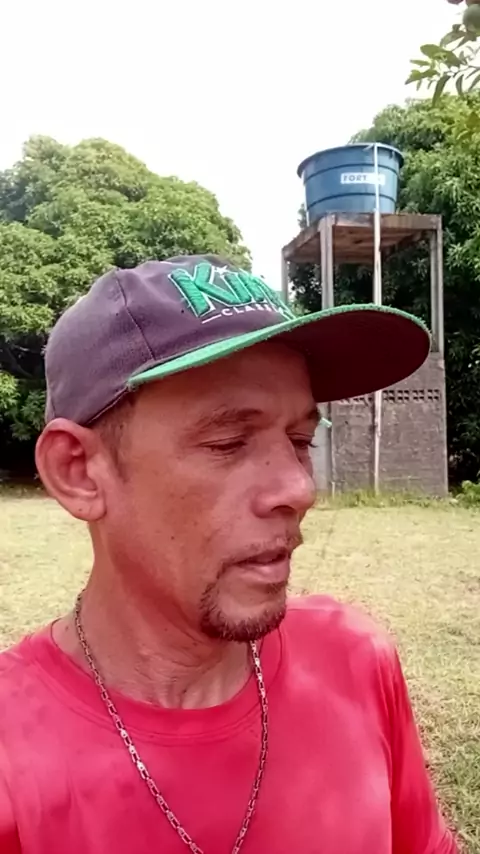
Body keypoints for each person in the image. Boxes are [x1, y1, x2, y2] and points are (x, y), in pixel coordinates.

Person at [0, 255, 456, 854]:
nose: (300, 488)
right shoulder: (14, 761)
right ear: (79, 471)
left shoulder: (355, 661)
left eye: (300, 440)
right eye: (229, 442)